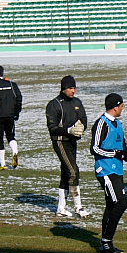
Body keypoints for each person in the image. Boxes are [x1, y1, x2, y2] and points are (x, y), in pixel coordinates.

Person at [90, 93, 127, 253]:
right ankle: (106, 241)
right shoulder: (101, 123)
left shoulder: (118, 124)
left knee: (111, 205)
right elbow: (94, 148)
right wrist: (115, 154)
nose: (123, 108)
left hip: (117, 170)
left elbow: (121, 145)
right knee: (121, 203)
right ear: (115, 106)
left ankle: (106, 243)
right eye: (122, 105)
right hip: (106, 170)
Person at [46, 75, 89, 218]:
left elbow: (83, 119)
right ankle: (79, 207)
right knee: (73, 171)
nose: (73, 91)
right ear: (64, 88)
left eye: (74, 88)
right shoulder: (54, 104)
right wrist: (68, 130)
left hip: (72, 141)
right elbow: (52, 127)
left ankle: (61, 208)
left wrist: (81, 128)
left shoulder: (77, 102)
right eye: (70, 88)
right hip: (60, 141)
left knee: (66, 173)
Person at [0, 65, 22, 170]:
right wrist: (16, 112)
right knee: (11, 136)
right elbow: (19, 98)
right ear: (2, 73)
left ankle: (2, 164)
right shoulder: (11, 85)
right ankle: (14, 152)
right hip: (10, 115)